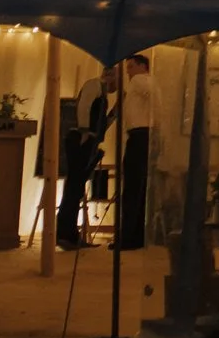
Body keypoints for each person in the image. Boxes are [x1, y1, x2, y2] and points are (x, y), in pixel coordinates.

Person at [58, 64, 114, 250]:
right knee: (74, 186)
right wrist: (84, 131)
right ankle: (65, 234)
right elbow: (84, 105)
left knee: (76, 187)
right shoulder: (94, 84)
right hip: (80, 140)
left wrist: (115, 113)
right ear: (110, 75)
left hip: (88, 140)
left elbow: (101, 123)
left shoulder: (104, 94)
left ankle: (69, 234)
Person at [115, 54, 153, 253]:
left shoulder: (140, 81)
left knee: (131, 188)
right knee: (139, 188)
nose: (128, 71)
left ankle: (128, 238)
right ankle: (136, 235)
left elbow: (152, 98)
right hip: (145, 136)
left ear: (141, 66)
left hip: (139, 136)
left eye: (130, 67)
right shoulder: (149, 82)